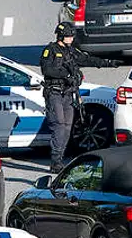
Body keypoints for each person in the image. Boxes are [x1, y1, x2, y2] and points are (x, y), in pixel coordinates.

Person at [39, 22, 111, 171]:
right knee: (59, 126)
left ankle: (60, 159)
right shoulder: (50, 50)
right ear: (60, 36)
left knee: (66, 127)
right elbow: (47, 69)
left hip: (68, 94)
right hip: (55, 93)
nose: (71, 38)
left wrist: (108, 63)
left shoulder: (71, 51)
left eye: (72, 35)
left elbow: (86, 60)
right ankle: (55, 161)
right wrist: (66, 75)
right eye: (68, 36)